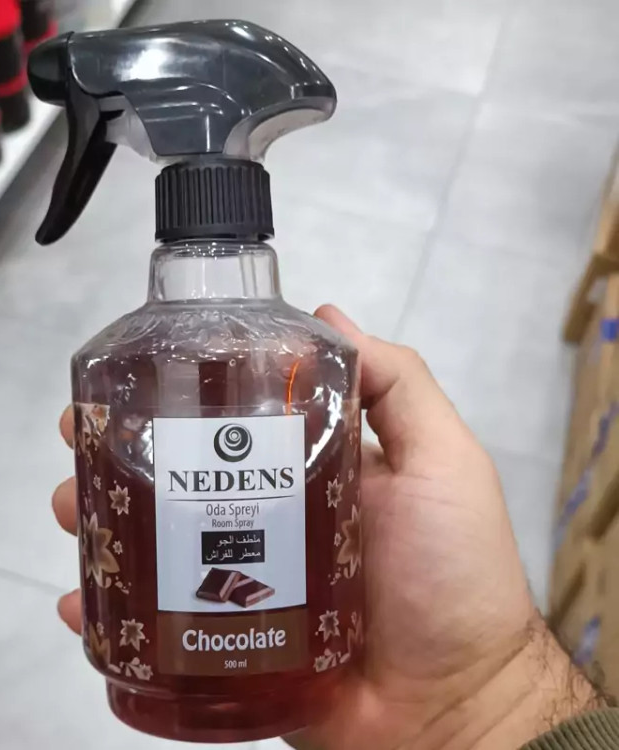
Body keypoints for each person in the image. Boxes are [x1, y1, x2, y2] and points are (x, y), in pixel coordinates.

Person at [52, 306, 618, 749]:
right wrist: (503, 700)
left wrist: (492, 681)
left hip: (329, 681)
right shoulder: (111, 362)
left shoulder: (317, 356)